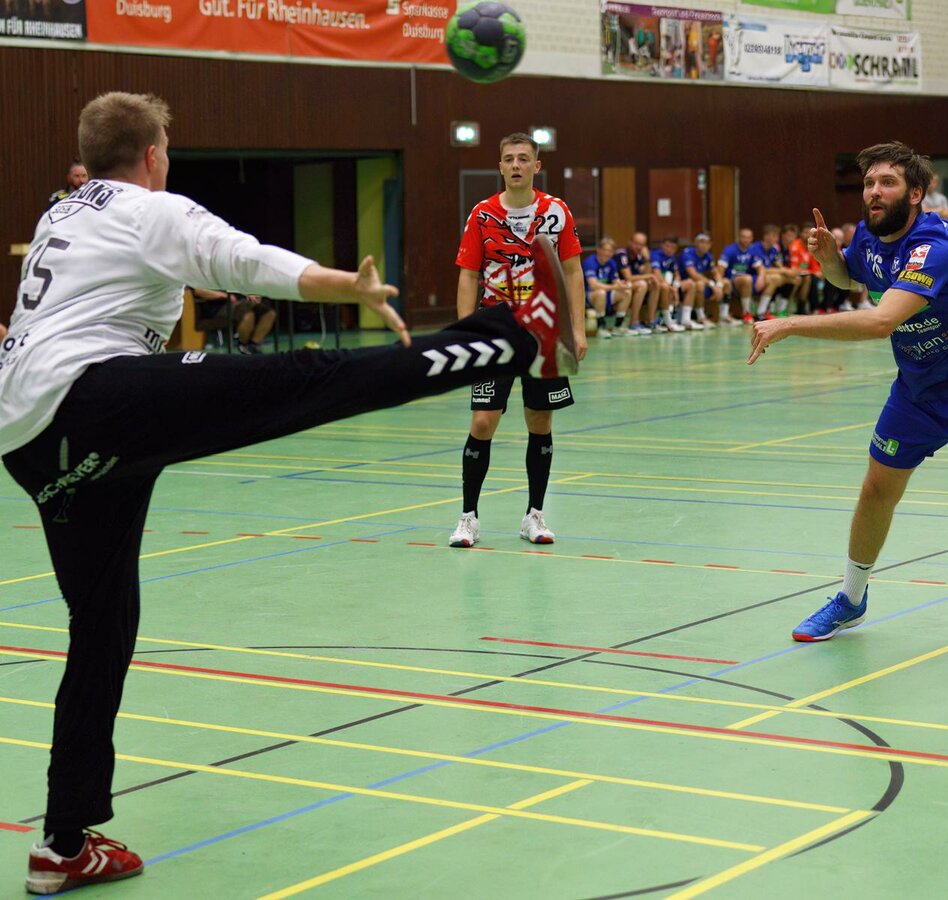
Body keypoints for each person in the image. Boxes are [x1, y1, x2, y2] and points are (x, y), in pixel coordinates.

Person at [2, 92, 578, 895]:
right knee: (295, 379)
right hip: (91, 400)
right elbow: (239, 258)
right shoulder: (144, 206)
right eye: (167, 143)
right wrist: (344, 284)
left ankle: (64, 844)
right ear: (153, 154)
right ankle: (496, 340)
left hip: (32, 443)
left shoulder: (70, 212)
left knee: (102, 628)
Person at [747, 141, 948, 642]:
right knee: (877, 488)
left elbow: (882, 320)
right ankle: (850, 598)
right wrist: (830, 261)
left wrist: (789, 324)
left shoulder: (935, 245)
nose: (873, 192)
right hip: (918, 388)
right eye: (868, 183)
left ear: (917, 194)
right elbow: (851, 277)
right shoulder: (869, 234)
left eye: (887, 183)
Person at [449, 132, 587, 549]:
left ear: (536, 166)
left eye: (523, 158)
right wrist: (467, 333)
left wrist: (576, 329)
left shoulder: (556, 212)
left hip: (543, 331)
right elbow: (468, 275)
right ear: (500, 166)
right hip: (495, 331)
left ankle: (534, 515)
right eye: (508, 158)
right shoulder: (482, 214)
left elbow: (574, 272)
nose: (515, 165)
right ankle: (468, 517)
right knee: (483, 421)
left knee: (539, 421)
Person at [582, 237, 631, 338]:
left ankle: (618, 326)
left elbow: (615, 281)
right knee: (600, 293)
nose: (607, 253)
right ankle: (601, 327)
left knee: (626, 292)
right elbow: (593, 285)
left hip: (606, 292)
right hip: (588, 295)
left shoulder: (611, 263)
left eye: (610, 251)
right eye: (605, 250)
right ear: (598, 250)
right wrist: (614, 286)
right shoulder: (590, 262)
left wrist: (621, 285)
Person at [717, 227, 764, 324]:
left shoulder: (752, 250)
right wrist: (719, 284)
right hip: (732, 280)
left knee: (769, 279)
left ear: (752, 239)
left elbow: (760, 268)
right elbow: (720, 268)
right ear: (738, 237)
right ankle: (746, 313)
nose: (746, 240)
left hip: (748, 280)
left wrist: (761, 277)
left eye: (748, 237)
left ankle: (763, 312)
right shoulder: (730, 249)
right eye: (743, 237)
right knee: (747, 279)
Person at [614, 232, 657, 336]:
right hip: (618, 286)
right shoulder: (622, 254)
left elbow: (645, 273)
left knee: (654, 284)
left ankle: (650, 321)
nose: (639, 247)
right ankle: (634, 322)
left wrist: (647, 260)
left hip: (631, 286)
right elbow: (628, 278)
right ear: (630, 242)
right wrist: (649, 276)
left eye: (641, 245)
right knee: (642, 284)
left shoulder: (639, 256)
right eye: (636, 244)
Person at [678, 232, 720, 329]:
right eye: (701, 242)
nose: (704, 245)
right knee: (699, 284)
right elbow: (693, 275)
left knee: (725, 283)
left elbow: (716, 272)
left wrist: (719, 285)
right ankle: (700, 317)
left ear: (710, 245)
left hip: (699, 285)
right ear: (695, 243)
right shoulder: (687, 253)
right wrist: (712, 285)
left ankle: (723, 316)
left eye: (707, 243)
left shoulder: (708, 255)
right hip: (684, 285)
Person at [649, 235, 686, 332]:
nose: (669, 249)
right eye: (667, 246)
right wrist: (672, 289)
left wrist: (675, 287)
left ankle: (685, 319)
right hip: (653, 283)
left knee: (690, 284)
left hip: (665, 283)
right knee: (665, 287)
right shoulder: (655, 254)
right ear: (662, 245)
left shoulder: (672, 258)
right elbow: (657, 274)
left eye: (673, 247)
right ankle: (667, 320)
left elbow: (677, 275)